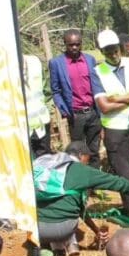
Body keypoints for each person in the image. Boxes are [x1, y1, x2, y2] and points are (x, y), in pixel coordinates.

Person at [34, 146, 129, 256]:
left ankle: (56, 249)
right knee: (65, 209)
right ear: (81, 156)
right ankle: (71, 244)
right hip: (62, 229)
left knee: (59, 203)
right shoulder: (78, 169)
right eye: (87, 160)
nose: (87, 164)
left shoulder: (44, 165)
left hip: (35, 229)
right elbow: (115, 182)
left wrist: (96, 230)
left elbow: (80, 209)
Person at [94, 29, 129, 218]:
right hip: (115, 131)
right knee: (123, 173)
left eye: (114, 49)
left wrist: (117, 98)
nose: (112, 53)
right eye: (107, 50)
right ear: (101, 51)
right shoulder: (97, 72)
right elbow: (104, 106)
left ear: (120, 47)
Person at [49, 29, 101, 163]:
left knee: (94, 149)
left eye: (77, 44)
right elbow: (55, 90)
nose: (74, 47)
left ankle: (95, 177)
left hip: (93, 112)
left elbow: (96, 83)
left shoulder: (90, 60)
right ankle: (81, 179)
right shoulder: (57, 63)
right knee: (77, 150)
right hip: (75, 115)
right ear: (65, 44)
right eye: (71, 44)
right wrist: (65, 111)